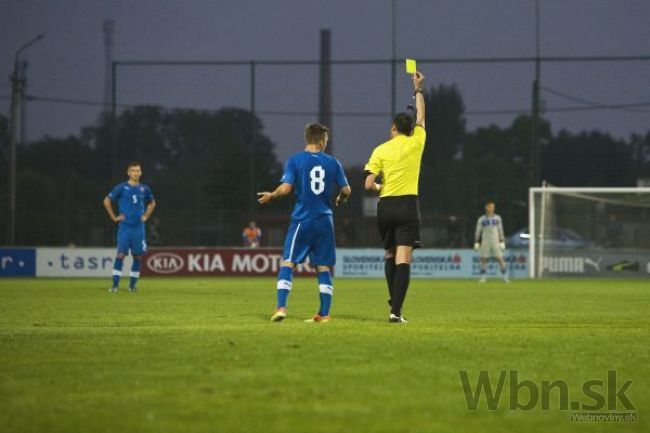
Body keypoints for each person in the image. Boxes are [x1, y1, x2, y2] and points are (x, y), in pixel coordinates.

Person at [258, 123, 351, 323]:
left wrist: (272, 195)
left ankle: (281, 308)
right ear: (319, 140)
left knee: (288, 262)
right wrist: (340, 200)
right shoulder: (334, 162)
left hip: (303, 219)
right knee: (323, 267)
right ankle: (324, 314)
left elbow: (286, 188)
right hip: (325, 221)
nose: (327, 143)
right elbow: (347, 191)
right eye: (326, 140)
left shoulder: (296, 160)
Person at [364, 71, 426, 324]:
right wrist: (418, 88)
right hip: (408, 205)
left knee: (389, 255)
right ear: (410, 130)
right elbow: (421, 117)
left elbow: (368, 183)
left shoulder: (380, 149)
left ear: (392, 128)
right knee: (404, 258)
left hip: (386, 206)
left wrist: (381, 186)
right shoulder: (416, 142)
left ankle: (393, 303)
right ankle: (396, 311)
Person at [103, 162, 156, 292]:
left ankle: (132, 286)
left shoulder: (145, 189)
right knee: (121, 255)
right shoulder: (121, 188)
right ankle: (115, 286)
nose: (136, 173)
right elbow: (106, 201)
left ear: (141, 172)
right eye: (133, 171)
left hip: (138, 227)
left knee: (137, 256)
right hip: (125, 227)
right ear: (128, 172)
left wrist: (146, 216)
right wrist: (114, 217)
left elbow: (152, 203)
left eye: (138, 170)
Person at [474, 201, 508, 283]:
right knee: (483, 259)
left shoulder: (497, 218)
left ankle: (504, 277)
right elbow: (478, 230)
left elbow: (500, 230)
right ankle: (483, 277)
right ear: (486, 208)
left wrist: (502, 241)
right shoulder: (482, 219)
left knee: (500, 258)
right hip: (485, 240)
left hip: (495, 240)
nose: (491, 208)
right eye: (490, 207)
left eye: (493, 207)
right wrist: (476, 242)